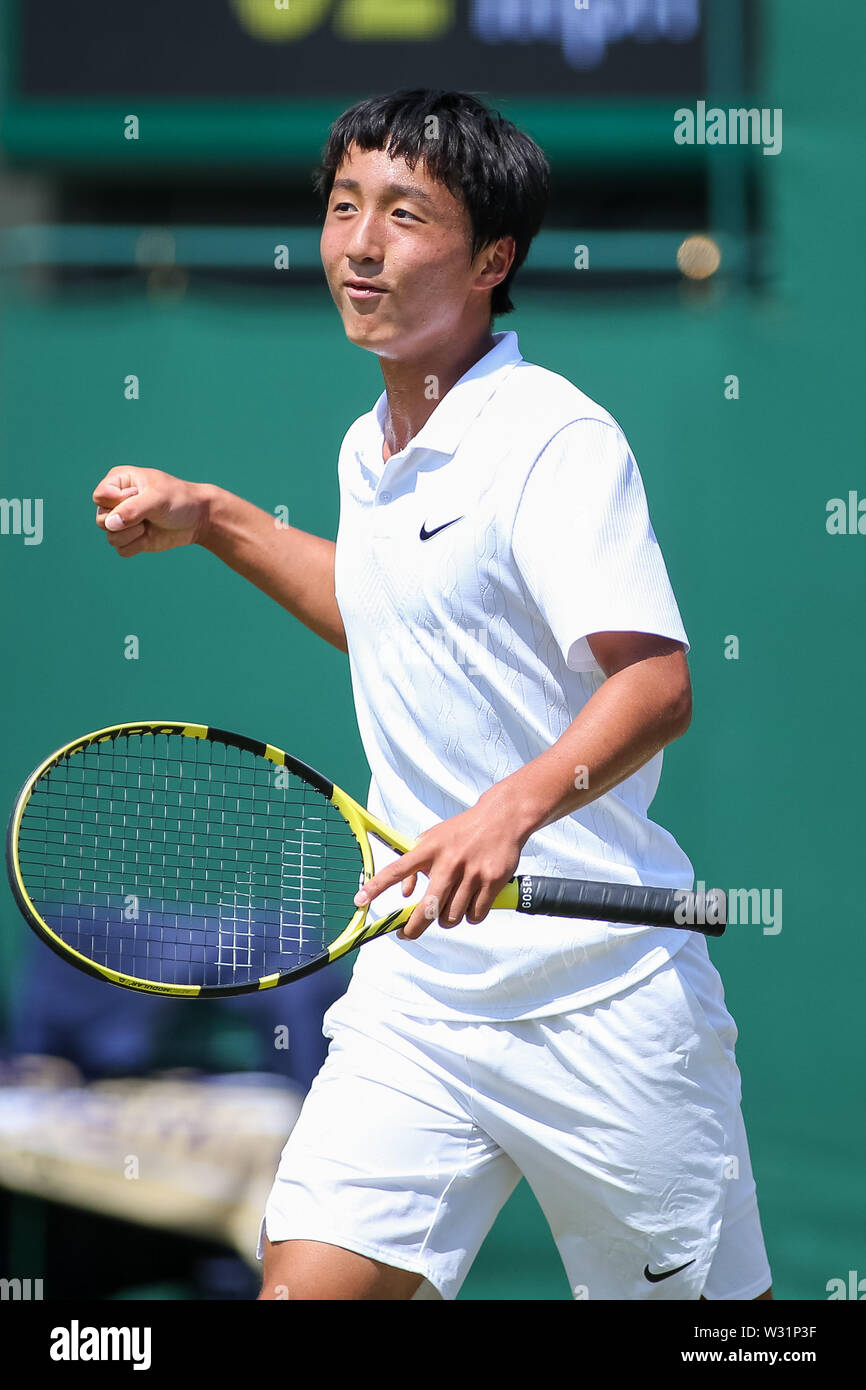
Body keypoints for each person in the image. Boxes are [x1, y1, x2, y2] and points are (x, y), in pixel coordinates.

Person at [93, 88, 772, 1302]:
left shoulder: (554, 440)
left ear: (490, 258)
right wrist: (215, 518)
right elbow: (383, 613)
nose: (359, 243)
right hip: (419, 996)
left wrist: (505, 812)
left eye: (404, 215)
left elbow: (657, 684)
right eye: (344, 206)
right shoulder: (371, 445)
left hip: (602, 1000)